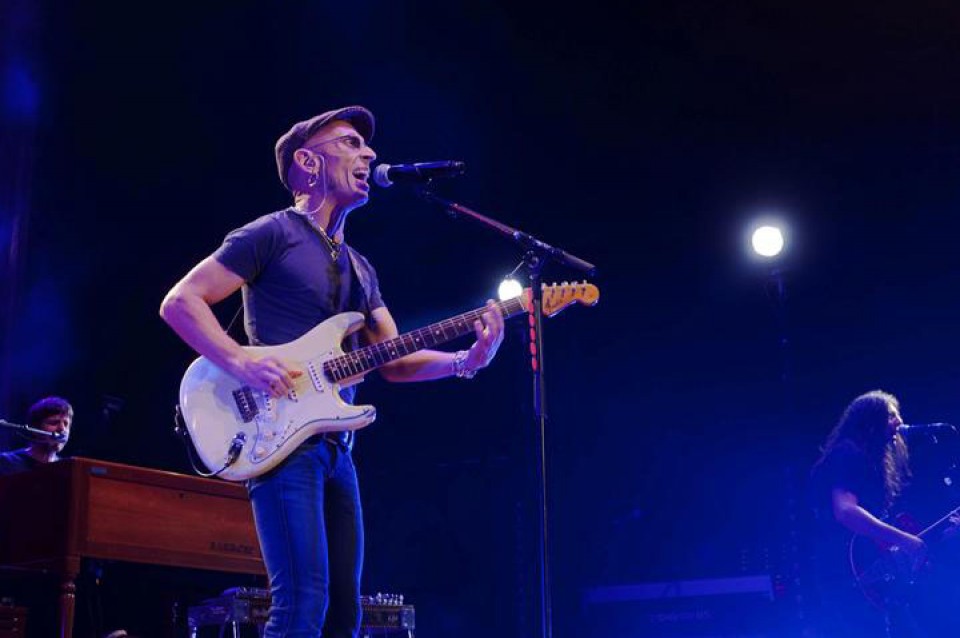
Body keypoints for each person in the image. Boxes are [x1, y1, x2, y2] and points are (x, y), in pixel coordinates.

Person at [159, 105, 505, 637]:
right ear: (307, 162)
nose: (368, 153)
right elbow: (181, 303)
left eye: (366, 147)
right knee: (300, 606)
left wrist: (466, 360)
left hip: (336, 450)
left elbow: (394, 360)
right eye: (348, 143)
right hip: (276, 433)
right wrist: (240, 360)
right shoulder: (271, 233)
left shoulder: (361, 268)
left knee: (345, 614)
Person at [808, 390, 960, 637]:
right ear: (869, 422)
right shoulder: (847, 454)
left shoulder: (872, 461)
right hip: (844, 569)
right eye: (890, 416)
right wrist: (904, 540)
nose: (899, 422)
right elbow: (845, 511)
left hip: (867, 568)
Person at [0, 396, 72, 476]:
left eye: (66, 424)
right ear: (35, 428)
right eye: (54, 423)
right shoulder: (7, 462)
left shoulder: (66, 469)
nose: (62, 429)